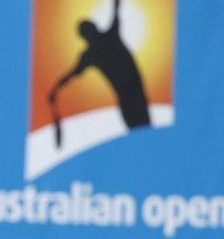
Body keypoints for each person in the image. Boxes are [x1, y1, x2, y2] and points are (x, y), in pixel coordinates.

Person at [48, 0, 151, 137]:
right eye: (88, 29)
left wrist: (55, 89)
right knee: (141, 133)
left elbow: (116, 8)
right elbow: (71, 74)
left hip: (134, 95)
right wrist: (56, 89)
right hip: (128, 97)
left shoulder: (103, 42)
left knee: (143, 133)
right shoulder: (94, 51)